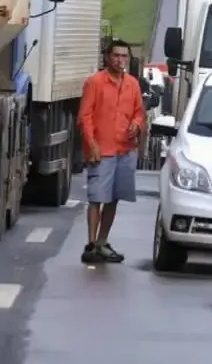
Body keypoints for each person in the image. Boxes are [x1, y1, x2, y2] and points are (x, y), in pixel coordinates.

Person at [77, 39, 146, 264]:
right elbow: (84, 116)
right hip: (102, 149)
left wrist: (136, 124)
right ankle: (90, 244)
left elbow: (139, 112)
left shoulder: (133, 84)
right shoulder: (95, 83)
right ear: (107, 57)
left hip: (125, 150)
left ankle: (102, 242)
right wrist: (92, 144)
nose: (120, 60)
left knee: (114, 198)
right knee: (97, 197)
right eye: (116, 55)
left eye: (124, 56)